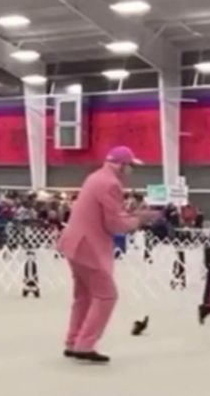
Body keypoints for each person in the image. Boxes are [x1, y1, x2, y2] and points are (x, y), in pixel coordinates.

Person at [57, 146, 158, 364]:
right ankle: (85, 345)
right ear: (121, 165)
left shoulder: (95, 177)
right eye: (130, 166)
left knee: (83, 297)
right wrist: (140, 219)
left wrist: (132, 215)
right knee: (106, 295)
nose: (131, 171)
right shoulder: (111, 184)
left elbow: (108, 215)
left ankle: (73, 341)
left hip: (74, 243)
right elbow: (114, 225)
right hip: (89, 247)